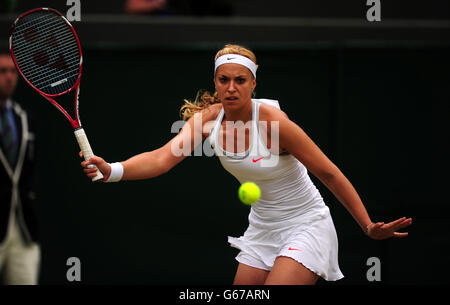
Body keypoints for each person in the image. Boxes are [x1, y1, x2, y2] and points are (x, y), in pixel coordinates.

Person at [80, 44, 412, 285]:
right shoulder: (206, 121)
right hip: (262, 229)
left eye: (240, 80)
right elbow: (161, 159)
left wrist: (367, 225)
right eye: (223, 80)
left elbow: (328, 172)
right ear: (215, 83)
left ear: (254, 84)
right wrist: (113, 171)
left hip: (306, 225)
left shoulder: (275, 123)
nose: (231, 87)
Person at [0, 49, 40, 285]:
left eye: (13, 71)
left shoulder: (25, 118)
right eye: (2, 71)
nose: (9, 77)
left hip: (23, 229)